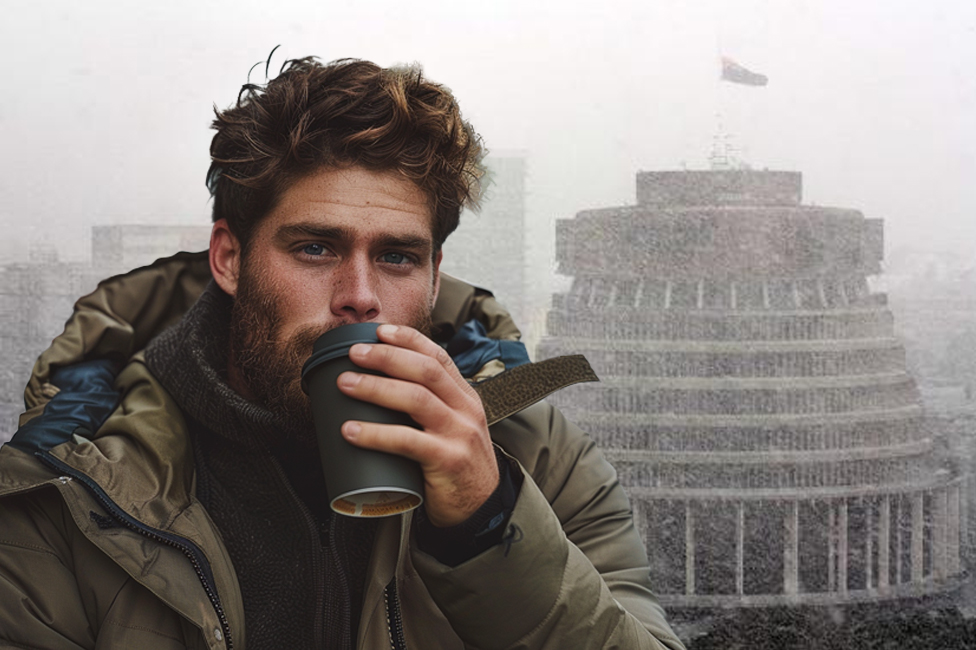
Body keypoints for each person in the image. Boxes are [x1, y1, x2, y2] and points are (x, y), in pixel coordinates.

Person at [0, 56, 684, 649]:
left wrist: (488, 524)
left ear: (434, 275)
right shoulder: (67, 493)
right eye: (315, 247)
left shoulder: (536, 456)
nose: (359, 296)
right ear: (231, 259)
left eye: (396, 256)